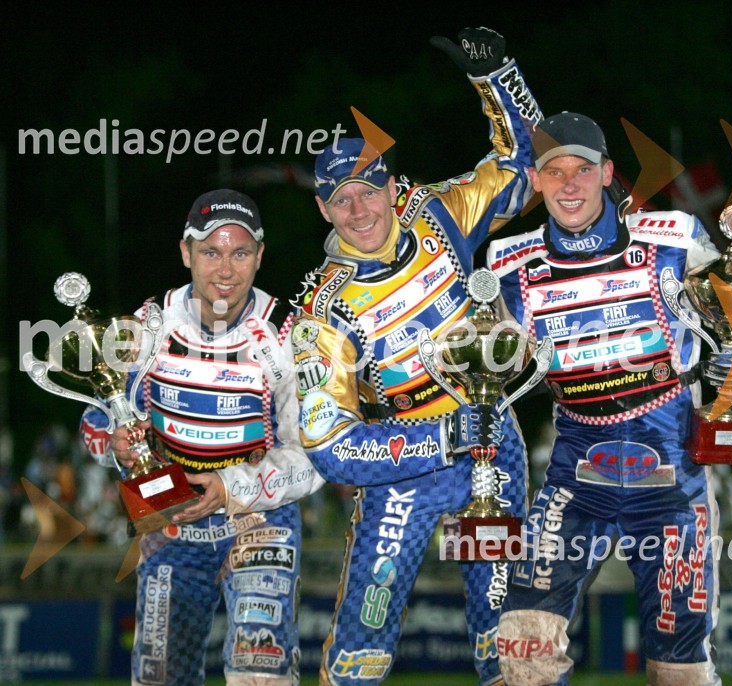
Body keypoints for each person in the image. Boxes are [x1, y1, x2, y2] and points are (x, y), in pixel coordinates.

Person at [488, 113, 732, 685]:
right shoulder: (508, 266)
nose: (569, 183)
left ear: (606, 173)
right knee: (523, 651)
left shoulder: (674, 239)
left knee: (677, 672)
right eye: (554, 171)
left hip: (673, 481)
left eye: (582, 169)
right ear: (535, 179)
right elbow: (485, 369)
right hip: (575, 479)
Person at [289, 28, 540, 686]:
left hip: (495, 452)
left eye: (368, 189)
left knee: (507, 633)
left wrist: (498, 80)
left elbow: (524, 171)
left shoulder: (436, 214)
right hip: (400, 475)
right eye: (341, 199)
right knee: (363, 643)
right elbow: (330, 444)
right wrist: (441, 436)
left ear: (390, 185)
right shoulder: (320, 312)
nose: (359, 207)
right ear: (323, 208)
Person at [81, 189, 324, 686]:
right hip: (170, 523)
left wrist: (230, 487)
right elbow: (95, 422)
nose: (225, 270)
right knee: (159, 676)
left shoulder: (288, 337)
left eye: (239, 253)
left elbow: (315, 455)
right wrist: (117, 448)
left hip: (260, 521)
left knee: (261, 674)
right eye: (211, 252)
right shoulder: (147, 327)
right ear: (186, 252)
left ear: (259, 257)